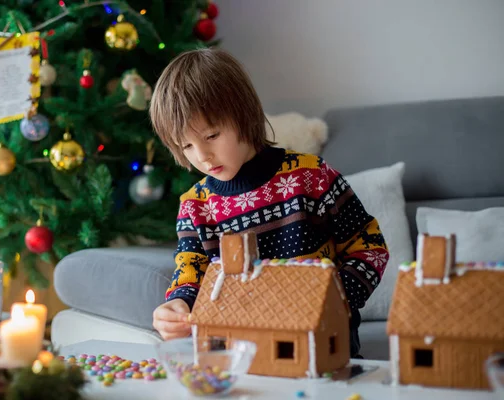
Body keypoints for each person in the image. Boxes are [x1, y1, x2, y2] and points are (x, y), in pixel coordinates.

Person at [148, 48, 389, 357]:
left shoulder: (310, 176)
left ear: (244, 114)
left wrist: (333, 298)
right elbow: (191, 274)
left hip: (321, 346)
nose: (202, 157)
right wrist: (177, 304)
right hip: (235, 355)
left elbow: (369, 246)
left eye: (211, 136)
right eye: (186, 146)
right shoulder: (195, 207)